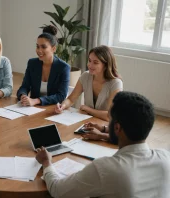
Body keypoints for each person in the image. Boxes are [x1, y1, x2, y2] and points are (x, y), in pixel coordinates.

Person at [36, 91, 170, 198]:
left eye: (109, 121)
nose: (107, 124)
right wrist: (104, 131)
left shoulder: (105, 169)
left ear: (117, 128)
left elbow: (57, 190)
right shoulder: (166, 158)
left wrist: (47, 163)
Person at [54, 45, 123, 121]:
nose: (90, 65)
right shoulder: (85, 76)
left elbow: (110, 116)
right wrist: (62, 106)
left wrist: (88, 110)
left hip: (104, 128)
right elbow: (70, 99)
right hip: (87, 122)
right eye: (89, 60)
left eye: (95, 62)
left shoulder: (116, 83)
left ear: (106, 65)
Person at [16, 25, 70, 106]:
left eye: (43, 47)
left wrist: (36, 101)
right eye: (37, 46)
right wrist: (23, 96)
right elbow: (24, 87)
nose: (39, 50)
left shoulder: (63, 67)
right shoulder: (32, 63)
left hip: (53, 109)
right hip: (33, 109)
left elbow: (61, 96)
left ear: (53, 49)